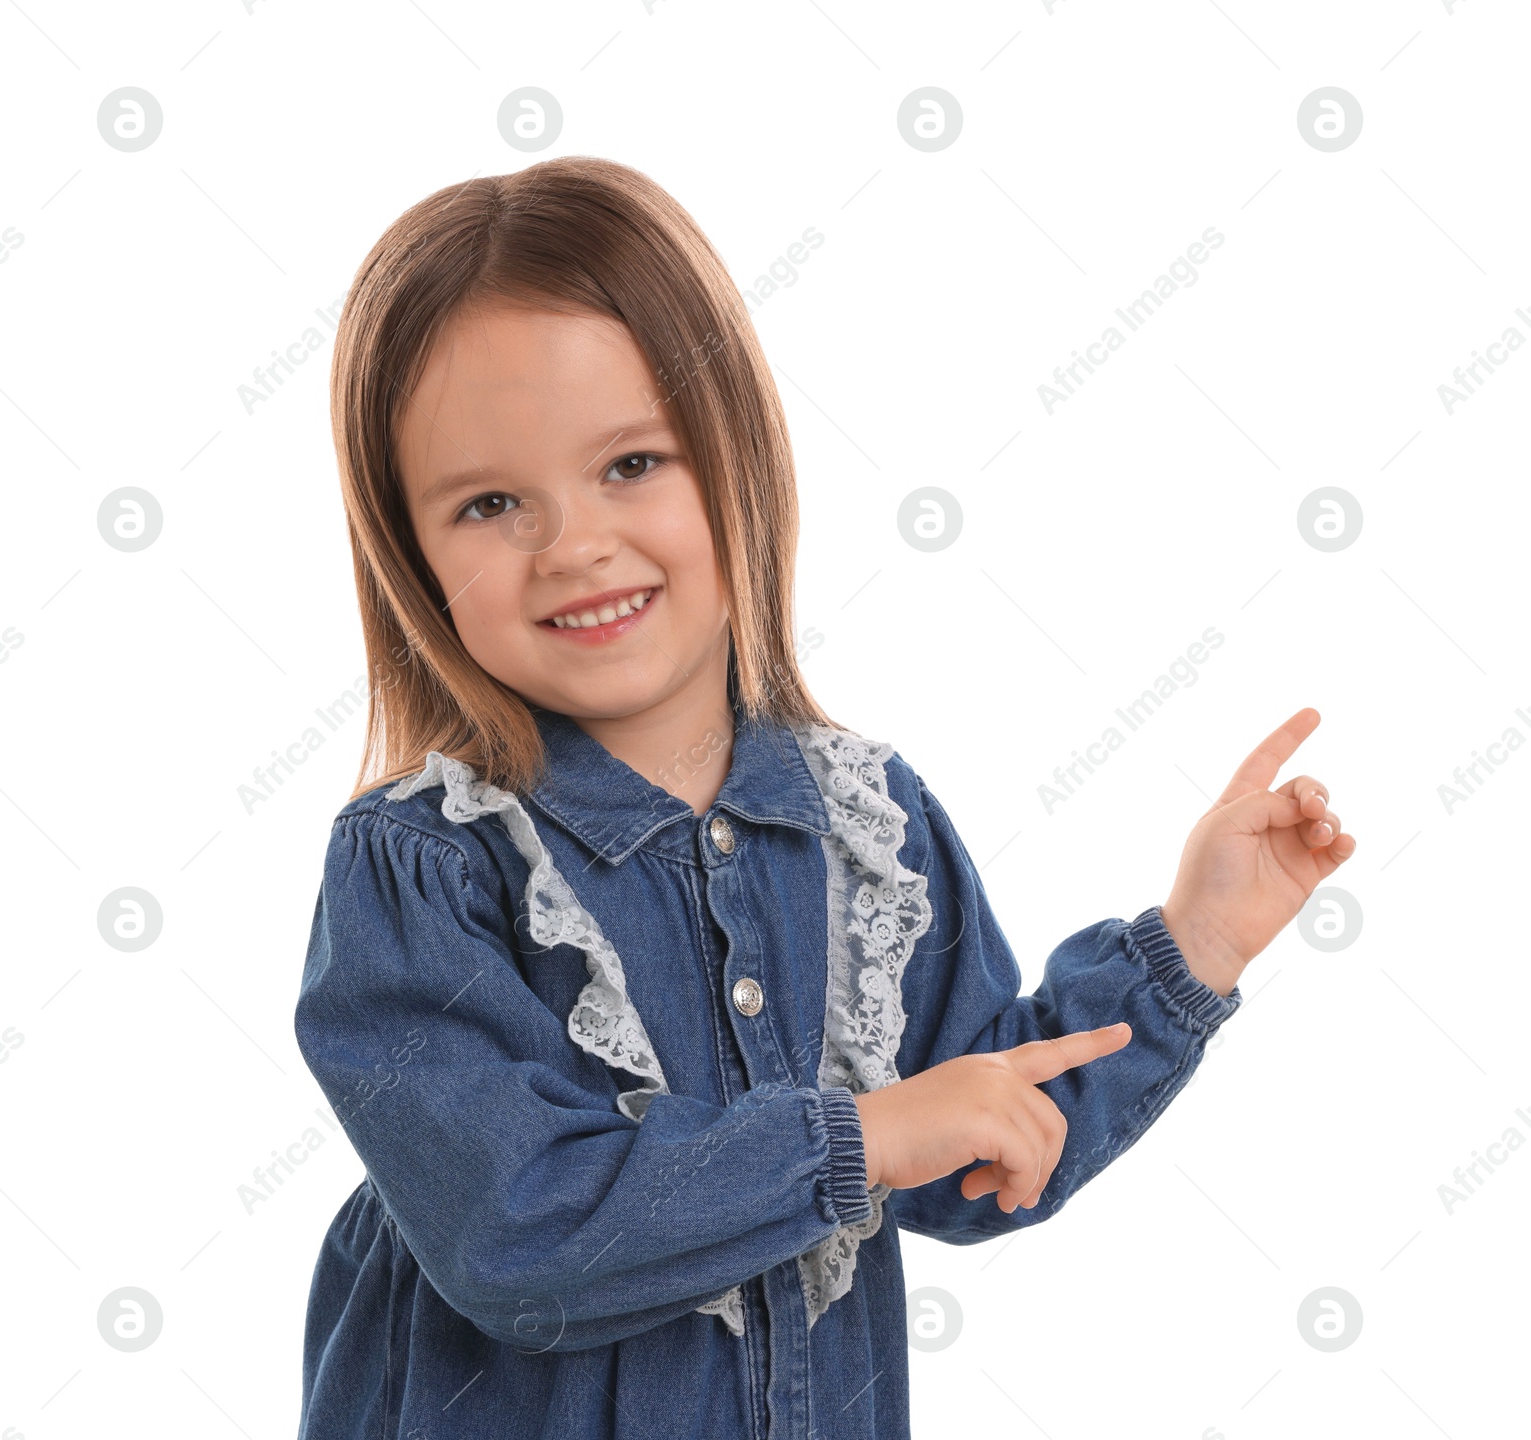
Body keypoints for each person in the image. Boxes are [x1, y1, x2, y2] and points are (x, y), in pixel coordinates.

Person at [292, 155, 1356, 1440]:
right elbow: (513, 1227)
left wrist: (1191, 947)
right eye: (490, 503)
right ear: (409, 552)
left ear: (735, 456)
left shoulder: (866, 823)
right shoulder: (425, 868)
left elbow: (975, 1145)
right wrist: (858, 1140)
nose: (571, 543)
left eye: (631, 464)